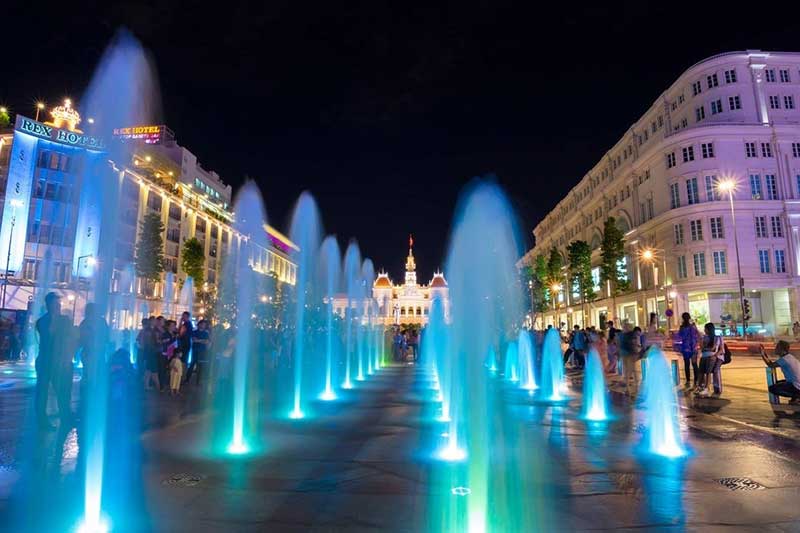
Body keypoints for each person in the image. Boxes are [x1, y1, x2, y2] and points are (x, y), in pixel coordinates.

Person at [34, 292, 72, 429]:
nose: (58, 306)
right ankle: (42, 420)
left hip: (59, 362)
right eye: (55, 304)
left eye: (59, 304)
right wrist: (54, 319)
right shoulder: (42, 321)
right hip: (45, 361)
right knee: (42, 392)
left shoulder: (65, 320)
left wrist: (67, 358)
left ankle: (66, 417)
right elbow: (47, 335)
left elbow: (69, 338)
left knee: (62, 391)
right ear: (48, 305)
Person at [696, 322, 722, 397]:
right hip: (703, 356)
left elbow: (714, 348)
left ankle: (707, 388)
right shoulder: (704, 337)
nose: (704, 330)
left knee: (708, 372)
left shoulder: (716, 337)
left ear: (708, 329)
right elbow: (701, 347)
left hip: (711, 357)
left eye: (705, 328)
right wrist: (701, 341)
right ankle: (700, 386)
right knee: (701, 372)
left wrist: (705, 347)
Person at [677, 312, 700, 387]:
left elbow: (680, 337)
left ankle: (688, 381)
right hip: (693, 348)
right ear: (689, 317)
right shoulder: (693, 326)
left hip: (686, 348)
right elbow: (697, 335)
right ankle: (696, 380)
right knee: (694, 364)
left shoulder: (682, 327)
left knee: (687, 365)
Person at [619, 323, 641, 395]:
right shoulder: (626, 335)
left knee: (629, 371)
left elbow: (633, 343)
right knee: (630, 371)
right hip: (627, 354)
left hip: (628, 354)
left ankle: (632, 388)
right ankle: (631, 388)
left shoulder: (627, 335)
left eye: (624, 327)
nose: (623, 328)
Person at [187, 319, 210, 385]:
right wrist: (203, 341)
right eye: (202, 324)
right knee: (192, 365)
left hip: (202, 351)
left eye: (204, 324)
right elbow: (194, 340)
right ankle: (187, 379)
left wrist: (199, 340)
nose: (203, 325)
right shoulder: (194, 332)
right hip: (195, 351)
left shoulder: (206, 333)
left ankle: (198, 381)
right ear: (199, 324)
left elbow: (207, 341)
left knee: (200, 366)